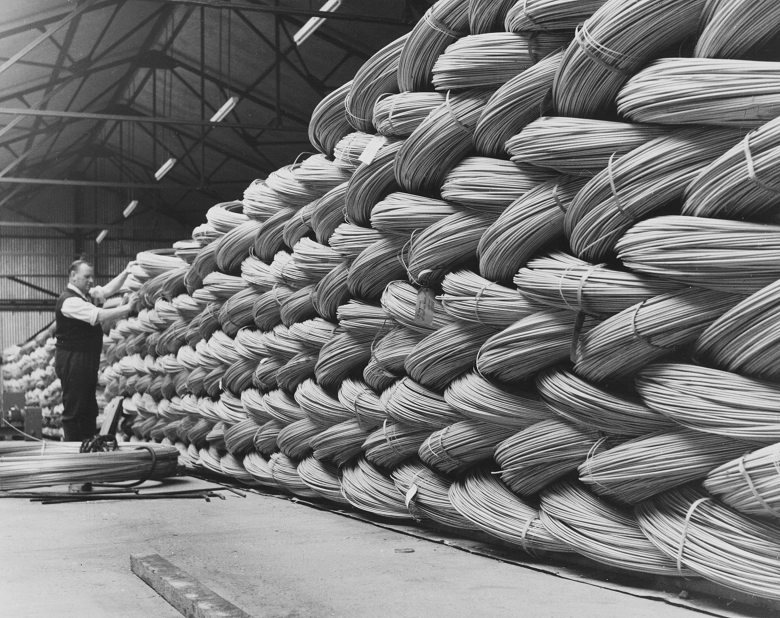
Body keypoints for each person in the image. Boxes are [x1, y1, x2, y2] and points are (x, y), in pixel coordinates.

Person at [54, 259, 137, 442]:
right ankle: (74, 449)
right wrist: (128, 308)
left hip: (85, 359)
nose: (91, 280)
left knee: (88, 406)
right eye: (86, 277)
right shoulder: (69, 301)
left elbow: (106, 291)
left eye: (92, 276)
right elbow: (98, 315)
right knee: (75, 407)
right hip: (73, 359)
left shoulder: (85, 295)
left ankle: (87, 444)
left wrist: (126, 271)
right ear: (73, 276)